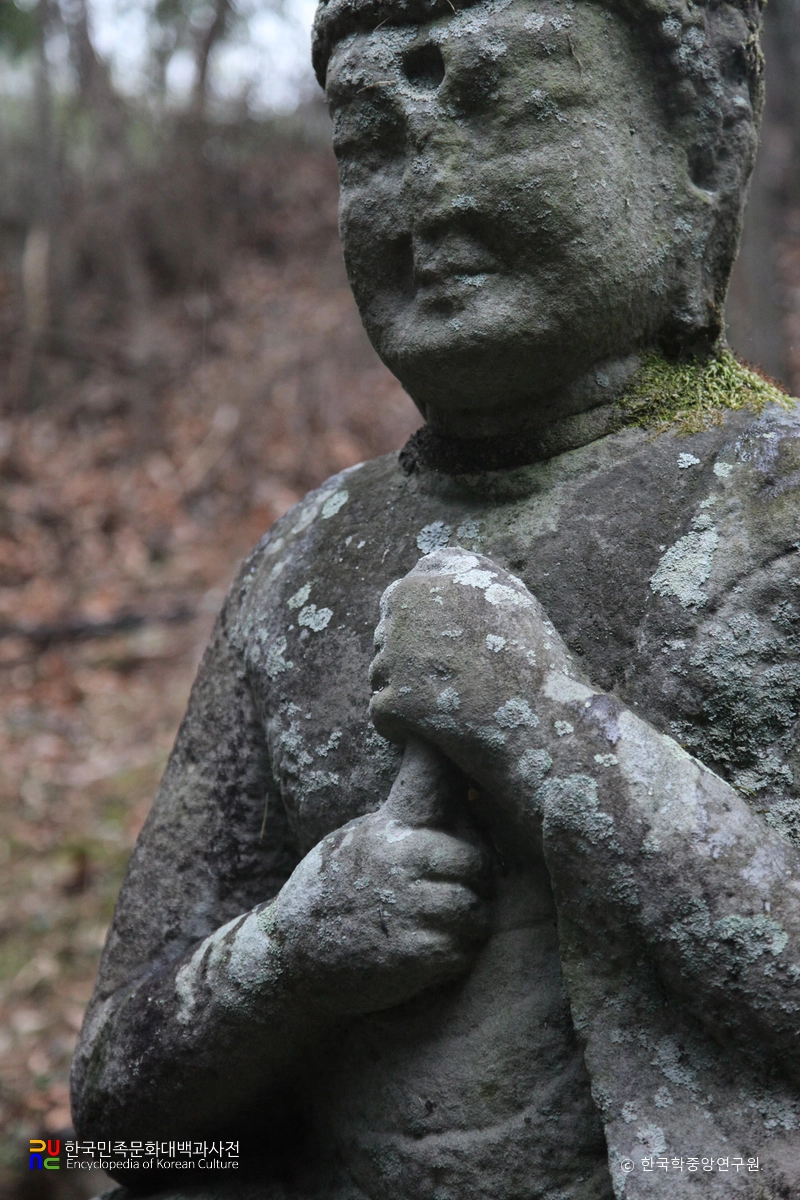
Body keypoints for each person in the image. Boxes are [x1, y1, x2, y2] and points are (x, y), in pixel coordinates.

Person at [73, 0, 800, 1195]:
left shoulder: (771, 507)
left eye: (510, 110)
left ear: (697, 157)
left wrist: (550, 733)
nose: (428, 195)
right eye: (370, 141)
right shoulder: (305, 565)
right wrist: (285, 957)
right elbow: (100, 1129)